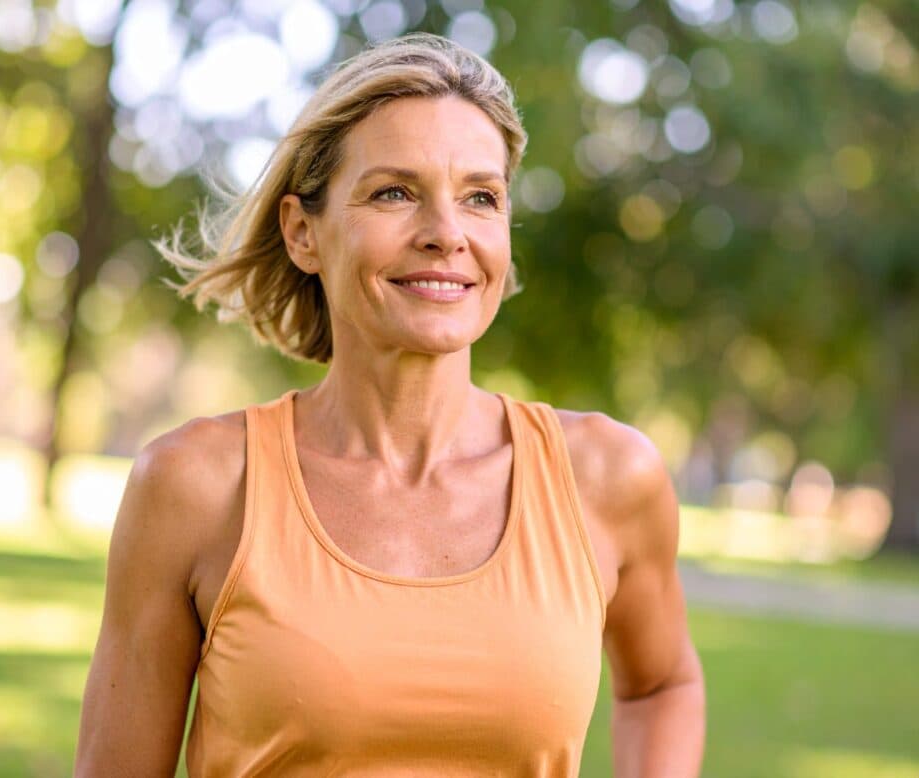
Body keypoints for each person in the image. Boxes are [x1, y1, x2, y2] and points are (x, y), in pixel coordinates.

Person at [75, 32, 705, 777]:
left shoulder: (608, 476)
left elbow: (663, 682)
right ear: (303, 232)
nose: (447, 235)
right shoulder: (195, 486)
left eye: (481, 197)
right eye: (394, 193)